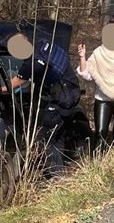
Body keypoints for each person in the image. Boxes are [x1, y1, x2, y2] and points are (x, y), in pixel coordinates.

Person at [9, 32, 83, 177]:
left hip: (60, 99)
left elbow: (18, 81)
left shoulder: (34, 62)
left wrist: (0, 88)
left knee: (46, 139)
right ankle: (59, 174)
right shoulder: (43, 45)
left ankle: (56, 177)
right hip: (71, 93)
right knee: (57, 138)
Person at [77, 21, 114, 155]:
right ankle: (96, 163)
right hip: (103, 99)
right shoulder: (99, 52)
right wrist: (82, 57)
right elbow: (86, 74)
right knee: (100, 132)